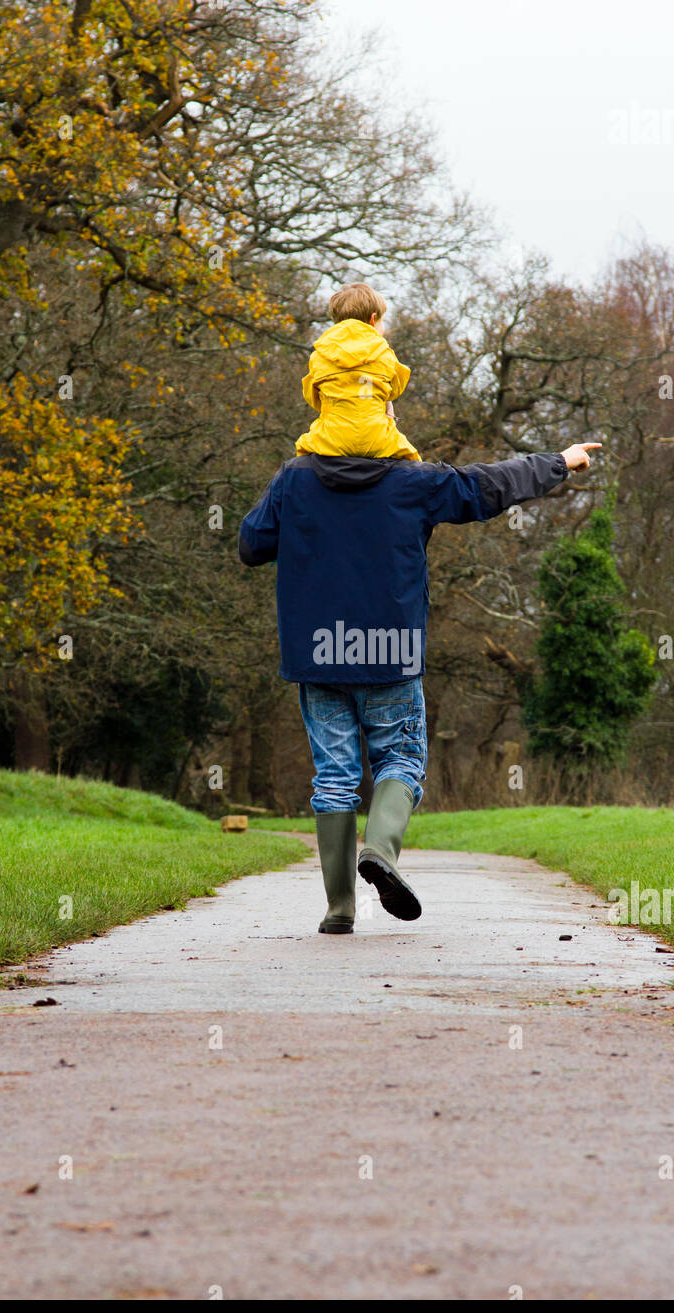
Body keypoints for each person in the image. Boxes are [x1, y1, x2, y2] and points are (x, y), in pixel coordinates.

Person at [240, 326, 600, 933]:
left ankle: (337, 909)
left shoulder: (294, 481)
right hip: (389, 650)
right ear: (383, 403)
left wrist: (305, 528)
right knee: (401, 760)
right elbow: (489, 486)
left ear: (323, 399)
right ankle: (379, 851)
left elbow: (252, 545)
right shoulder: (415, 484)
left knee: (332, 776)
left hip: (316, 655)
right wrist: (558, 463)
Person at [294, 282, 421, 462]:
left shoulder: (320, 354)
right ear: (373, 319)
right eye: (382, 321)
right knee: (414, 462)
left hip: (329, 440)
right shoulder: (385, 354)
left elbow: (312, 397)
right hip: (379, 439)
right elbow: (395, 390)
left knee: (300, 459)